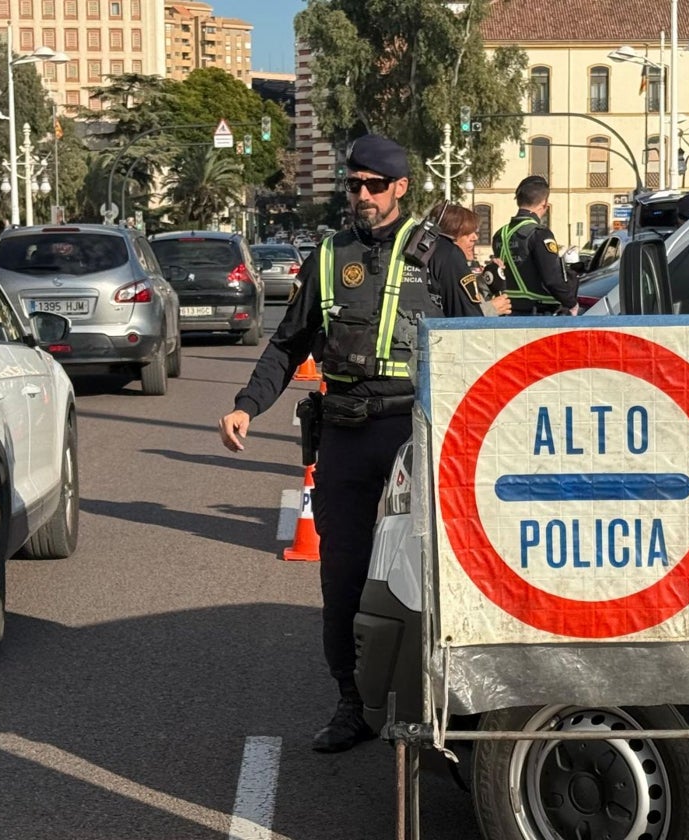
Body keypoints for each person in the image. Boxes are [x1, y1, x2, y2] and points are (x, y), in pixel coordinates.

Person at [217, 134, 484, 753]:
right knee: (343, 577)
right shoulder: (330, 256)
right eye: (353, 184)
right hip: (345, 438)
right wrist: (246, 405)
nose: (361, 196)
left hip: (413, 442)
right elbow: (289, 342)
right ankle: (352, 704)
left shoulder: (440, 257)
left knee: (434, 577)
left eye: (373, 185)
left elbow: (475, 350)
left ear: (400, 187)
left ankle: (448, 707)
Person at [492, 176, 578, 315]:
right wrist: (571, 303)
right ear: (544, 203)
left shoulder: (499, 235)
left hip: (508, 311)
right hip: (538, 313)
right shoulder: (539, 234)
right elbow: (552, 279)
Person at [429, 202, 512, 316]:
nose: (475, 238)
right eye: (467, 233)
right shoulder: (450, 260)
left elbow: (468, 301)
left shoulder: (436, 263)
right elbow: (460, 317)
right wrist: (491, 309)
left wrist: (486, 281)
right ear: (449, 236)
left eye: (475, 232)